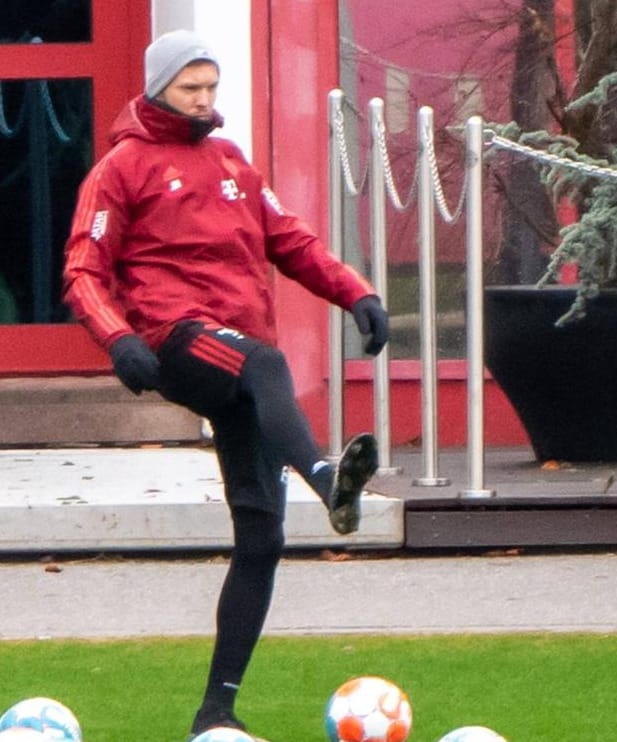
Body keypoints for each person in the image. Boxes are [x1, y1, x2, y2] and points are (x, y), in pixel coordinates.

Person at [62, 29, 389, 740]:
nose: (205, 100)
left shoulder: (232, 161)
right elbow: (83, 269)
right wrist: (117, 339)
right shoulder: (121, 167)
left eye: (211, 87)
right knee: (268, 367)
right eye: (190, 88)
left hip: (240, 361)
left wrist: (355, 294)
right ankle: (329, 478)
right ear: (157, 88)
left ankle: (216, 712)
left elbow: (290, 241)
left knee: (262, 538)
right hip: (175, 339)